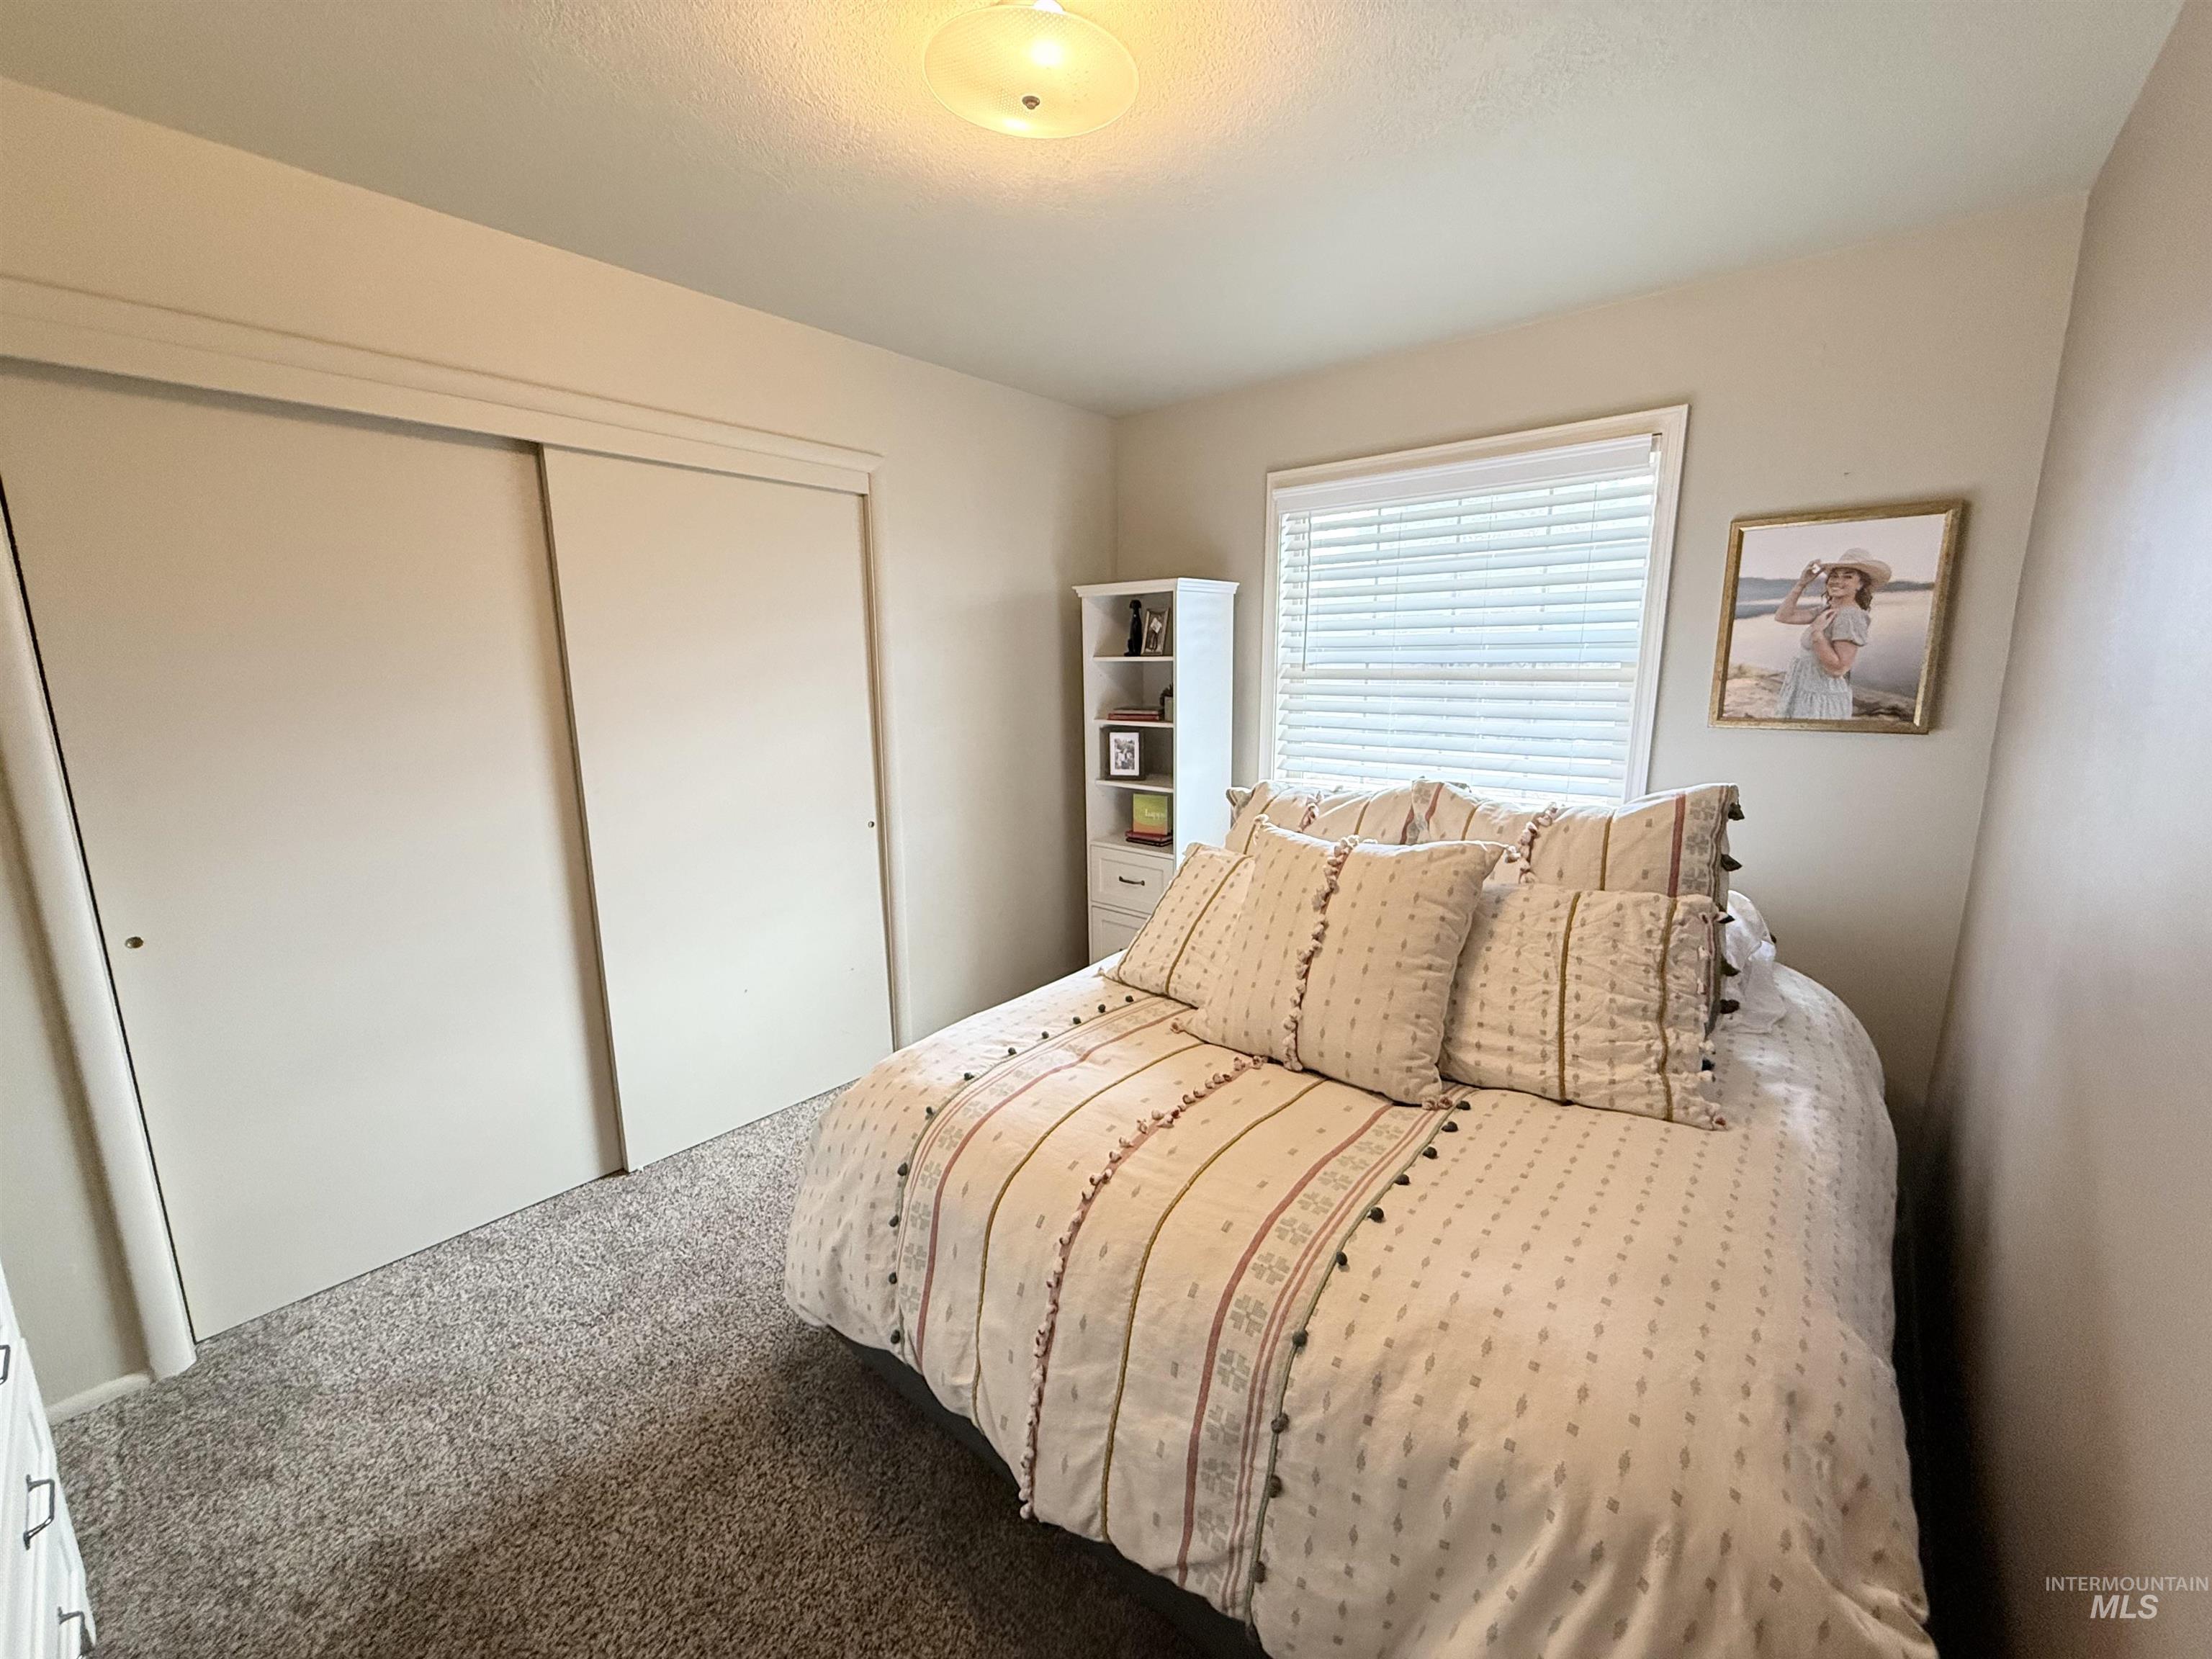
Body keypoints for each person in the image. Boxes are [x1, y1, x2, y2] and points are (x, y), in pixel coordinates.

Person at [1771, 551, 1889, 719]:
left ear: (1860, 584)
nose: (1838, 581)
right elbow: (1783, 616)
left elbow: (1839, 668)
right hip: (1805, 691)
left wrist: (1817, 634)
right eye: (1834, 576)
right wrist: (1802, 584)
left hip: (1821, 699)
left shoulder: (1850, 616)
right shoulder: (1829, 609)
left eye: (1848, 577)